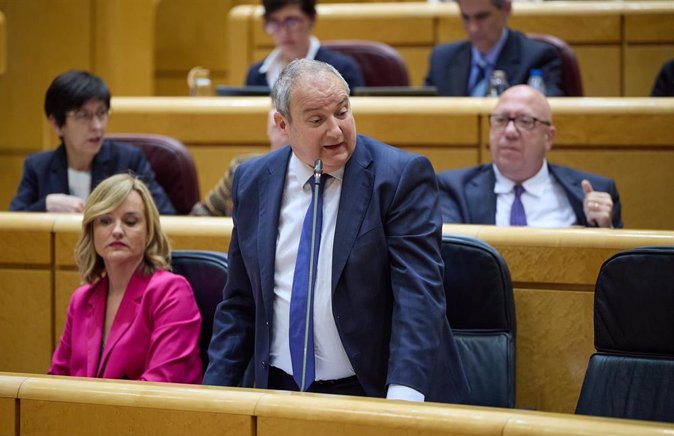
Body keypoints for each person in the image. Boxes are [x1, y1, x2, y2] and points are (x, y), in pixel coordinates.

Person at [203, 59, 469, 403]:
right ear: (283, 125)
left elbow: (418, 294)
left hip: (375, 390)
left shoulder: (400, 177)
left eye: (342, 112)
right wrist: (212, 396)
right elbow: (240, 302)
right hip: (281, 392)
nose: (335, 130)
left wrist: (403, 397)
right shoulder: (252, 181)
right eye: (317, 120)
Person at [49, 173, 201, 382]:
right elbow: (55, 383)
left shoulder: (171, 292)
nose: (117, 231)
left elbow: (162, 387)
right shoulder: (81, 300)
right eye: (105, 221)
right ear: (92, 231)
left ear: (148, 232)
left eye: (130, 221)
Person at [438, 85, 622, 228]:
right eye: (500, 120)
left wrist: (606, 230)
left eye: (525, 122)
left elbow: (615, 273)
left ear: (548, 137)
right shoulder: (454, 189)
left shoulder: (595, 192)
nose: (510, 132)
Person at [9, 70, 175, 214]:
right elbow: (12, 228)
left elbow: (166, 216)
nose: (97, 126)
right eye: (83, 115)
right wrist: (46, 205)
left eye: (101, 113)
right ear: (56, 124)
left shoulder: (128, 161)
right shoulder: (37, 167)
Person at [424, 0, 564, 97]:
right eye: (466, 17)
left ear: (506, 9)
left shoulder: (538, 57)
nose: (473, 28)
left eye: (482, 17)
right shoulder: (442, 59)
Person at [245, 0, 364, 91]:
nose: (284, 32)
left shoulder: (342, 69)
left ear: (312, 18)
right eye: (274, 22)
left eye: (292, 21)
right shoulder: (256, 75)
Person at [190, 108, 288, 216]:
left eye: (286, 125)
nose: (284, 134)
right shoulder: (242, 169)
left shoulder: (308, 177)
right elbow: (202, 212)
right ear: (268, 131)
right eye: (277, 127)